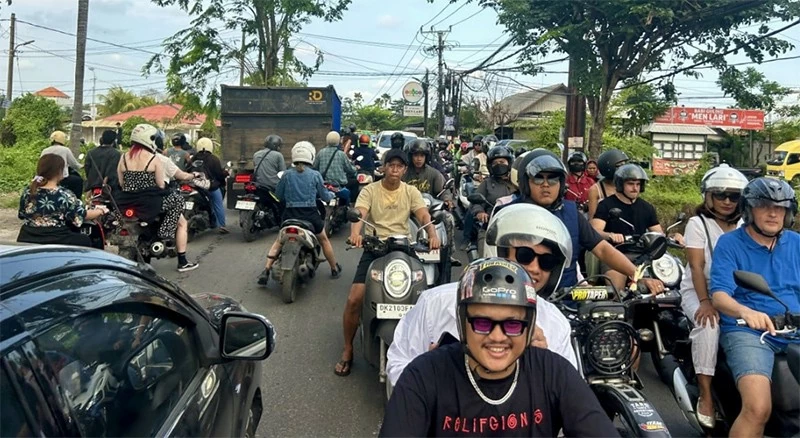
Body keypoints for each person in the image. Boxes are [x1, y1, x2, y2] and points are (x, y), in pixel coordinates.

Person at [380, 257, 618, 437]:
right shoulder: (424, 375)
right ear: (462, 323)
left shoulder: (554, 372)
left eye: (513, 325)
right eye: (482, 323)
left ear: (529, 326)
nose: (497, 336)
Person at [387, 203, 578, 386]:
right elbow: (398, 365)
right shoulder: (436, 304)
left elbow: (569, 394)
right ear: (499, 253)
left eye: (547, 261)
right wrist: (431, 371)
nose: (535, 268)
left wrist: (546, 365)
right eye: (525, 256)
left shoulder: (554, 323)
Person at [335, 148, 441, 377]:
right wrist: (356, 234)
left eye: (399, 166)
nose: (394, 169)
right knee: (354, 298)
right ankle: (347, 349)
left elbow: (423, 215)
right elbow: (360, 213)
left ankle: (428, 348)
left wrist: (432, 234)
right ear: (383, 167)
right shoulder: (370, 190)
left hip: (404, 247)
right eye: (390, 165)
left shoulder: (410, 191)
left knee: (425, 297)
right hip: (375, 247)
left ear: (404, 170)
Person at [498, 151, 665, 294]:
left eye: (553, 179)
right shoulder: (510, 214)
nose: (546, 185)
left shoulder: (571, 213)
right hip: (520, 297)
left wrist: (639, 276)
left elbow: (602, 249)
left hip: (567, 300)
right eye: (538, 178)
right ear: (526, 183)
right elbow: (495, 261)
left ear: (562, 183)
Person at [710, 177, 800, 437]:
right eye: (764, 206)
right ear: (750, 210)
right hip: (750, 332)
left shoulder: (796, 243)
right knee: (758, 408)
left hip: (794, 327)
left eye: (780, 207)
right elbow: (720, 296)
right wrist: (746, 312)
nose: (773, 213)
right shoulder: (730, 244)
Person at [679, 164, 749, 428]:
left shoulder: (745, 224)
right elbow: (697, 266)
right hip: (700, 289)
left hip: (736, 290)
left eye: (734, 196)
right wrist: (706, 302)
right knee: (708, 326)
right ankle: (706, 394)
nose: (727, 201)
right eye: (720, 195)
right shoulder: (698, 224)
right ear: (707, 196)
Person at [116, 124, 198, 272]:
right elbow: (161, 184)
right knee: (178, 200)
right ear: (150, 139)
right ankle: (166, 232)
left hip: (126, 201)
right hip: (150, 203)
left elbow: (121, 183)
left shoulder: (124, 158)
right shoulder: (154, 159)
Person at [258, 141, 342, 284]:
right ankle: (334, 268)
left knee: (279, 241)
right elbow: (325, 196)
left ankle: (266, 270)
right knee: (324, 240)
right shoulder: (315, 175)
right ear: (311, 156)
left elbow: (278, 196)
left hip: (289, 215)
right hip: (310, 215)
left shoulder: (286, 175)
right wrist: (333, 195)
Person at [591, 163, 674, 289]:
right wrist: (611, 235)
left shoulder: (646, 207)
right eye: (630, 184)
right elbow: (595, 231)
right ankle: (616, 307)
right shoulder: (606, 205)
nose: (635, 188)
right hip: (615, 255)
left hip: (644, 257)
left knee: (667, 283)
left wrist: (674, 237)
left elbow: (658, 234)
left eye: (638, 184)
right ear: (620, 184)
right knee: (616, 289)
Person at [17, 154, 108, 248]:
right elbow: (80, 216)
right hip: (57, 238)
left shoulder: (28, 191)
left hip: (28, 236)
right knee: (85, 240)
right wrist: (100, 211)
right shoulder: (64, 194)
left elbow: (21, 214)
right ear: (59, 171)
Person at [193, 138, 229, 234]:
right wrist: (225, 175)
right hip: (210, 186)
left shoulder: (194, 157)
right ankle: (222, 225)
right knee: (218, 204)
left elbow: (187, 169)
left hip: (194, 185)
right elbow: (219, 174)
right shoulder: (214, 159)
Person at [314, 131, 356, 204]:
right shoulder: (342, 154)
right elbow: (350, 170)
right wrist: (355, 169)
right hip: (339, 186)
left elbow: (314, 167)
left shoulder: (321, 153)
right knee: (355, 183)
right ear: (338, 141)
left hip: (324, 185)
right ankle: (349, 207)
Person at [587, 149, 628, 219]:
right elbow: (592, 218)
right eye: (619, 166)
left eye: (624, 165)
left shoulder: (627, 186)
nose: (623, 169)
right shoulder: (595, 190)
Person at [252, 134, 287, 217]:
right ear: (276, 145)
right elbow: (283, 172)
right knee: (284, 202)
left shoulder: (256, 154)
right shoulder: (278, 155)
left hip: (258, 185)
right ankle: (282, 221)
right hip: (272, 186)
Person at [41, 130, 83, 198]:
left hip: (45, 178)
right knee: (78, 181)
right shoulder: (65, 150)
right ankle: (77, 200)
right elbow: (74, 164)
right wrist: (82, 166)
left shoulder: (45, 150)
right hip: (62, 178)